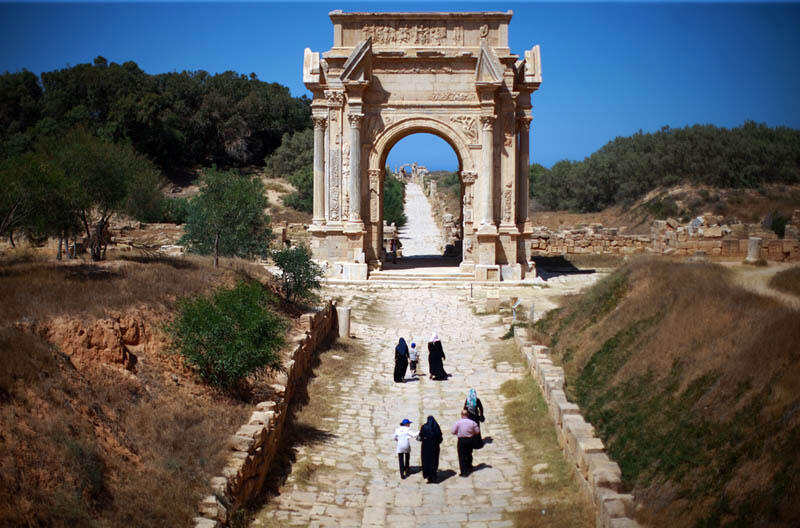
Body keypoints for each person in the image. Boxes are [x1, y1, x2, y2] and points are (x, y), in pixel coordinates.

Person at [452, 409, 481, 476]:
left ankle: (463, 472)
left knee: (461, 456)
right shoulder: (472, 423)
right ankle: (469, 466)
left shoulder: (458, 422)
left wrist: (458, 433)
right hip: (470, 440)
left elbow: (453, 431)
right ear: (468, 415)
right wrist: (472, 433)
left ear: (461, 415)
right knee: (469, 453)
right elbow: (477, 431)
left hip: (461, 440)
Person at [417, 416, 443, 483]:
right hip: (434, 447)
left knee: (426, 461)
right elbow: (440, 437)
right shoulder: (436, 428)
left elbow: (421, 436)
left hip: (426, 447)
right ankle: (433, 476)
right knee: (434, 461)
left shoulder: (424, 427)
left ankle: (428, 476)